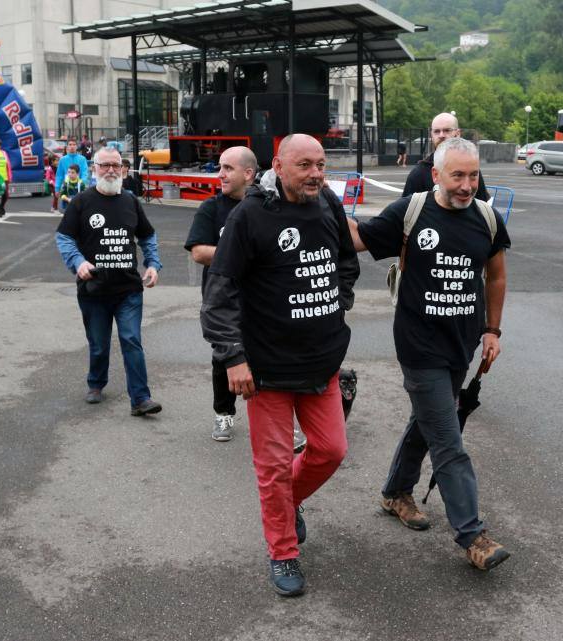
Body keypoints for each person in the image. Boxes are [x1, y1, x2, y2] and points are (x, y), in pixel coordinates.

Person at [201, 134, 359, 596]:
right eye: (305, 164)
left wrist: (337, 302)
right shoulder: (250, 214)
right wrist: (232, 356)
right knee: (272, 467)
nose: (315, 173)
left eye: (321, 165)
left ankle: (287, 505)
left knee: (330, 451)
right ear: (279, 165)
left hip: (321, 360)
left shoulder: (328, 203)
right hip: (266, 370)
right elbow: (221, 290)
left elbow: (346, 261)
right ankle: (283, 553)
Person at [345, 137, 512, 571]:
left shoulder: (486, 219)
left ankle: (395, 493)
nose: (467, 184)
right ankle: (472, 534)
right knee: (447, 437)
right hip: (419, 346)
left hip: (464, 342)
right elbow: (358, 240)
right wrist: (319, 206)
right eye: (457, 175)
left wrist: (492, 329)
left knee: (428, 419)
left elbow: (494, 276)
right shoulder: (411, 212)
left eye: (473, 175)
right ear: (436, 174)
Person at [55, 146, 163, 416]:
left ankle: (140, 399)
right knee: (99, 343)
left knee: (131, 340)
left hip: (128, 289)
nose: (112, 170)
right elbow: (64, 238)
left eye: (117, 165)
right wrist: (78, 263)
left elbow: (147, 236)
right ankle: (96, 383)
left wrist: (152, 264)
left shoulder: (130, 201)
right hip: (93, 290)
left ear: (124, 170)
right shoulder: (81, 202)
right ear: (94, 168)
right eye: (105, 165)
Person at [185, 146, 257, 442]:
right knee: (224, 359)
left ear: (248, 174)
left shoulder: (265, 206)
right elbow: (199, 252)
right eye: (220, 167)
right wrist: (244, 255)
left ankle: (273, 421)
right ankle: (224, 414)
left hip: (262, 300)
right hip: (223, 302)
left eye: (227, 168)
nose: (220, 174)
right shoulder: (211, 208)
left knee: (268, 358)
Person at [403, 113, 488, 201]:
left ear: (457, 133)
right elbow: (405, 210)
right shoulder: (419, 173)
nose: (441, 135)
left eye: (447, 130)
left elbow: (481, 205)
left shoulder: (470, 169)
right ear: (431, 135)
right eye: (436, 131)